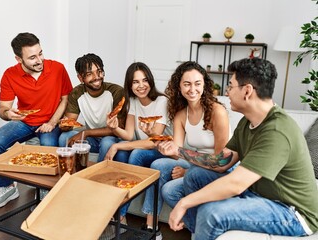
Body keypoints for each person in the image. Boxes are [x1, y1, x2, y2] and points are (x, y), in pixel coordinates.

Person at [161, 58, 318, 239]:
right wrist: (179, 151)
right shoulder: (247, 122)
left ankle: (205, 227)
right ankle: (203, 232)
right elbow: (221, 162)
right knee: (193, 176)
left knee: (211, 213)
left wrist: (184, 203)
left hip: (292, 212)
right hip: (257, 194)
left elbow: (236, 184)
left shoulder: (277, 130)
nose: (226, 92)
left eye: (230, 86)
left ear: (247, 91)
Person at [140, 61, 232, 239]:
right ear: (179, 87)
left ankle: (200, 226)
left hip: (220, 167)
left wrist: (188, 171)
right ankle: (152, 230)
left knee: (170, 190)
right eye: (187, 84)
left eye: (197, 83)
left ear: (204, 85)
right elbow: (176, 151)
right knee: (159, 164)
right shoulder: (181, 115)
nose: (192, 89)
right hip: (195, 160)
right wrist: (154, 136)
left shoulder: (217, 111)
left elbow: (221, 160)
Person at [0, 32, 73, 209]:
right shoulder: (10, 75)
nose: (39, 60)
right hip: (26, 121)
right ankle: (8, 187)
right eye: (32, 57)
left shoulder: (58, 68)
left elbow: (66, 99)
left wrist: (52, 123)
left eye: (40, 53)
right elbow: (2, 108)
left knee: (49, 147)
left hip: (51, 121)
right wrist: (8, 114)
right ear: (19, 59)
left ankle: (46, 191)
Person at [102, 62, 169, 230]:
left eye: (144, 80)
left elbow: (153, 141)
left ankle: (120, 212)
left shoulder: (162, 101)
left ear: (150, 81)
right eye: (135, 82)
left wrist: (118, 146)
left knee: (135, 153)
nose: (141, 86)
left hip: (163, 151)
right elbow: (129, 135)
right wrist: (114, 127)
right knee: (123, 149)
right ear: (130, 85)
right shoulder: (132, 101)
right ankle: (116, 211)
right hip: (142, 149)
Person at [58, 53, 125, 162]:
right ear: (80, 78)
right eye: (90, 74)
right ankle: (74, 171)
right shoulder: (77, 93)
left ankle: (98, 175)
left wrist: (86, 133)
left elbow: (118, 128)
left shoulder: (116, 91)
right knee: (64, 138)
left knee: (106, 142)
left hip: (113, 137)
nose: (97, 77)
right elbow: (70, 122)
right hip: (92, 139)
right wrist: (64, 125)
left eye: (99, 71)